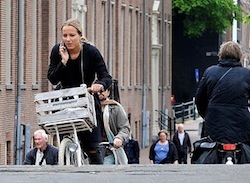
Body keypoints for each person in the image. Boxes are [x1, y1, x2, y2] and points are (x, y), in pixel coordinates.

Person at [47, 18, 112, 164]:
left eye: (72, 35)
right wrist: (63, 62)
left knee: (92, 147)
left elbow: (106, 76)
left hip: (87, 99)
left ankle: (96, 167)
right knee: (64, 138)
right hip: (65, 101)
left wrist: (99, 85)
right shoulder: (57, 51)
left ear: (79, 35)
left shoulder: (90, 51)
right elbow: (52, 79)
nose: (68, 39)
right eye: (65, 36)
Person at [195, 41, 250, 144]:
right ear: (240, 55)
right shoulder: (247, 74)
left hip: (214, 122)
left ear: (221, 55)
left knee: (208, 149)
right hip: (241, 123)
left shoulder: (210, 72)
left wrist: (207, 115)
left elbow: (200, 99)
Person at [98, 85, 131, 164]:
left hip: (108, 149)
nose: (99, 93)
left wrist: (119, 138)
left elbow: (125, 128)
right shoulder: (89, 108)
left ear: (108, 92)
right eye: (97, 91)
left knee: (105, 170)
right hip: (89, 150)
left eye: (102, 91)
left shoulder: (115, 108)